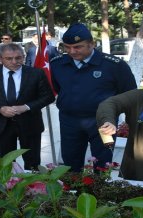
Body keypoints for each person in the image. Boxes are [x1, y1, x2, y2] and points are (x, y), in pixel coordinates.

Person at [50, 23, 137, 172]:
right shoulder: (57, 64)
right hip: (69, 122)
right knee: (70, 162)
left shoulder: (115, 65)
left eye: (78, 47)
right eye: (67, 47)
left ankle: (99, 194)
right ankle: (72, 193)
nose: (72, 51)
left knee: (103, 163)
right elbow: (58, 88)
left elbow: (129, 94)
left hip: (104, 123)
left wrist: (126, 120)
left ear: (92, 44)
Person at [0, 43, 54, 170]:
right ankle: (10, 187)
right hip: (2, 125)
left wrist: (26, 107)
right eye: (9, 58)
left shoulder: (36, 73)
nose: (14, 61)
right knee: (6, 163)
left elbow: (48, 97)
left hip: (29, 123)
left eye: (19, 58)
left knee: (33, 162)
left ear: (23, 56)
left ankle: (34, 188)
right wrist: (0, 109)